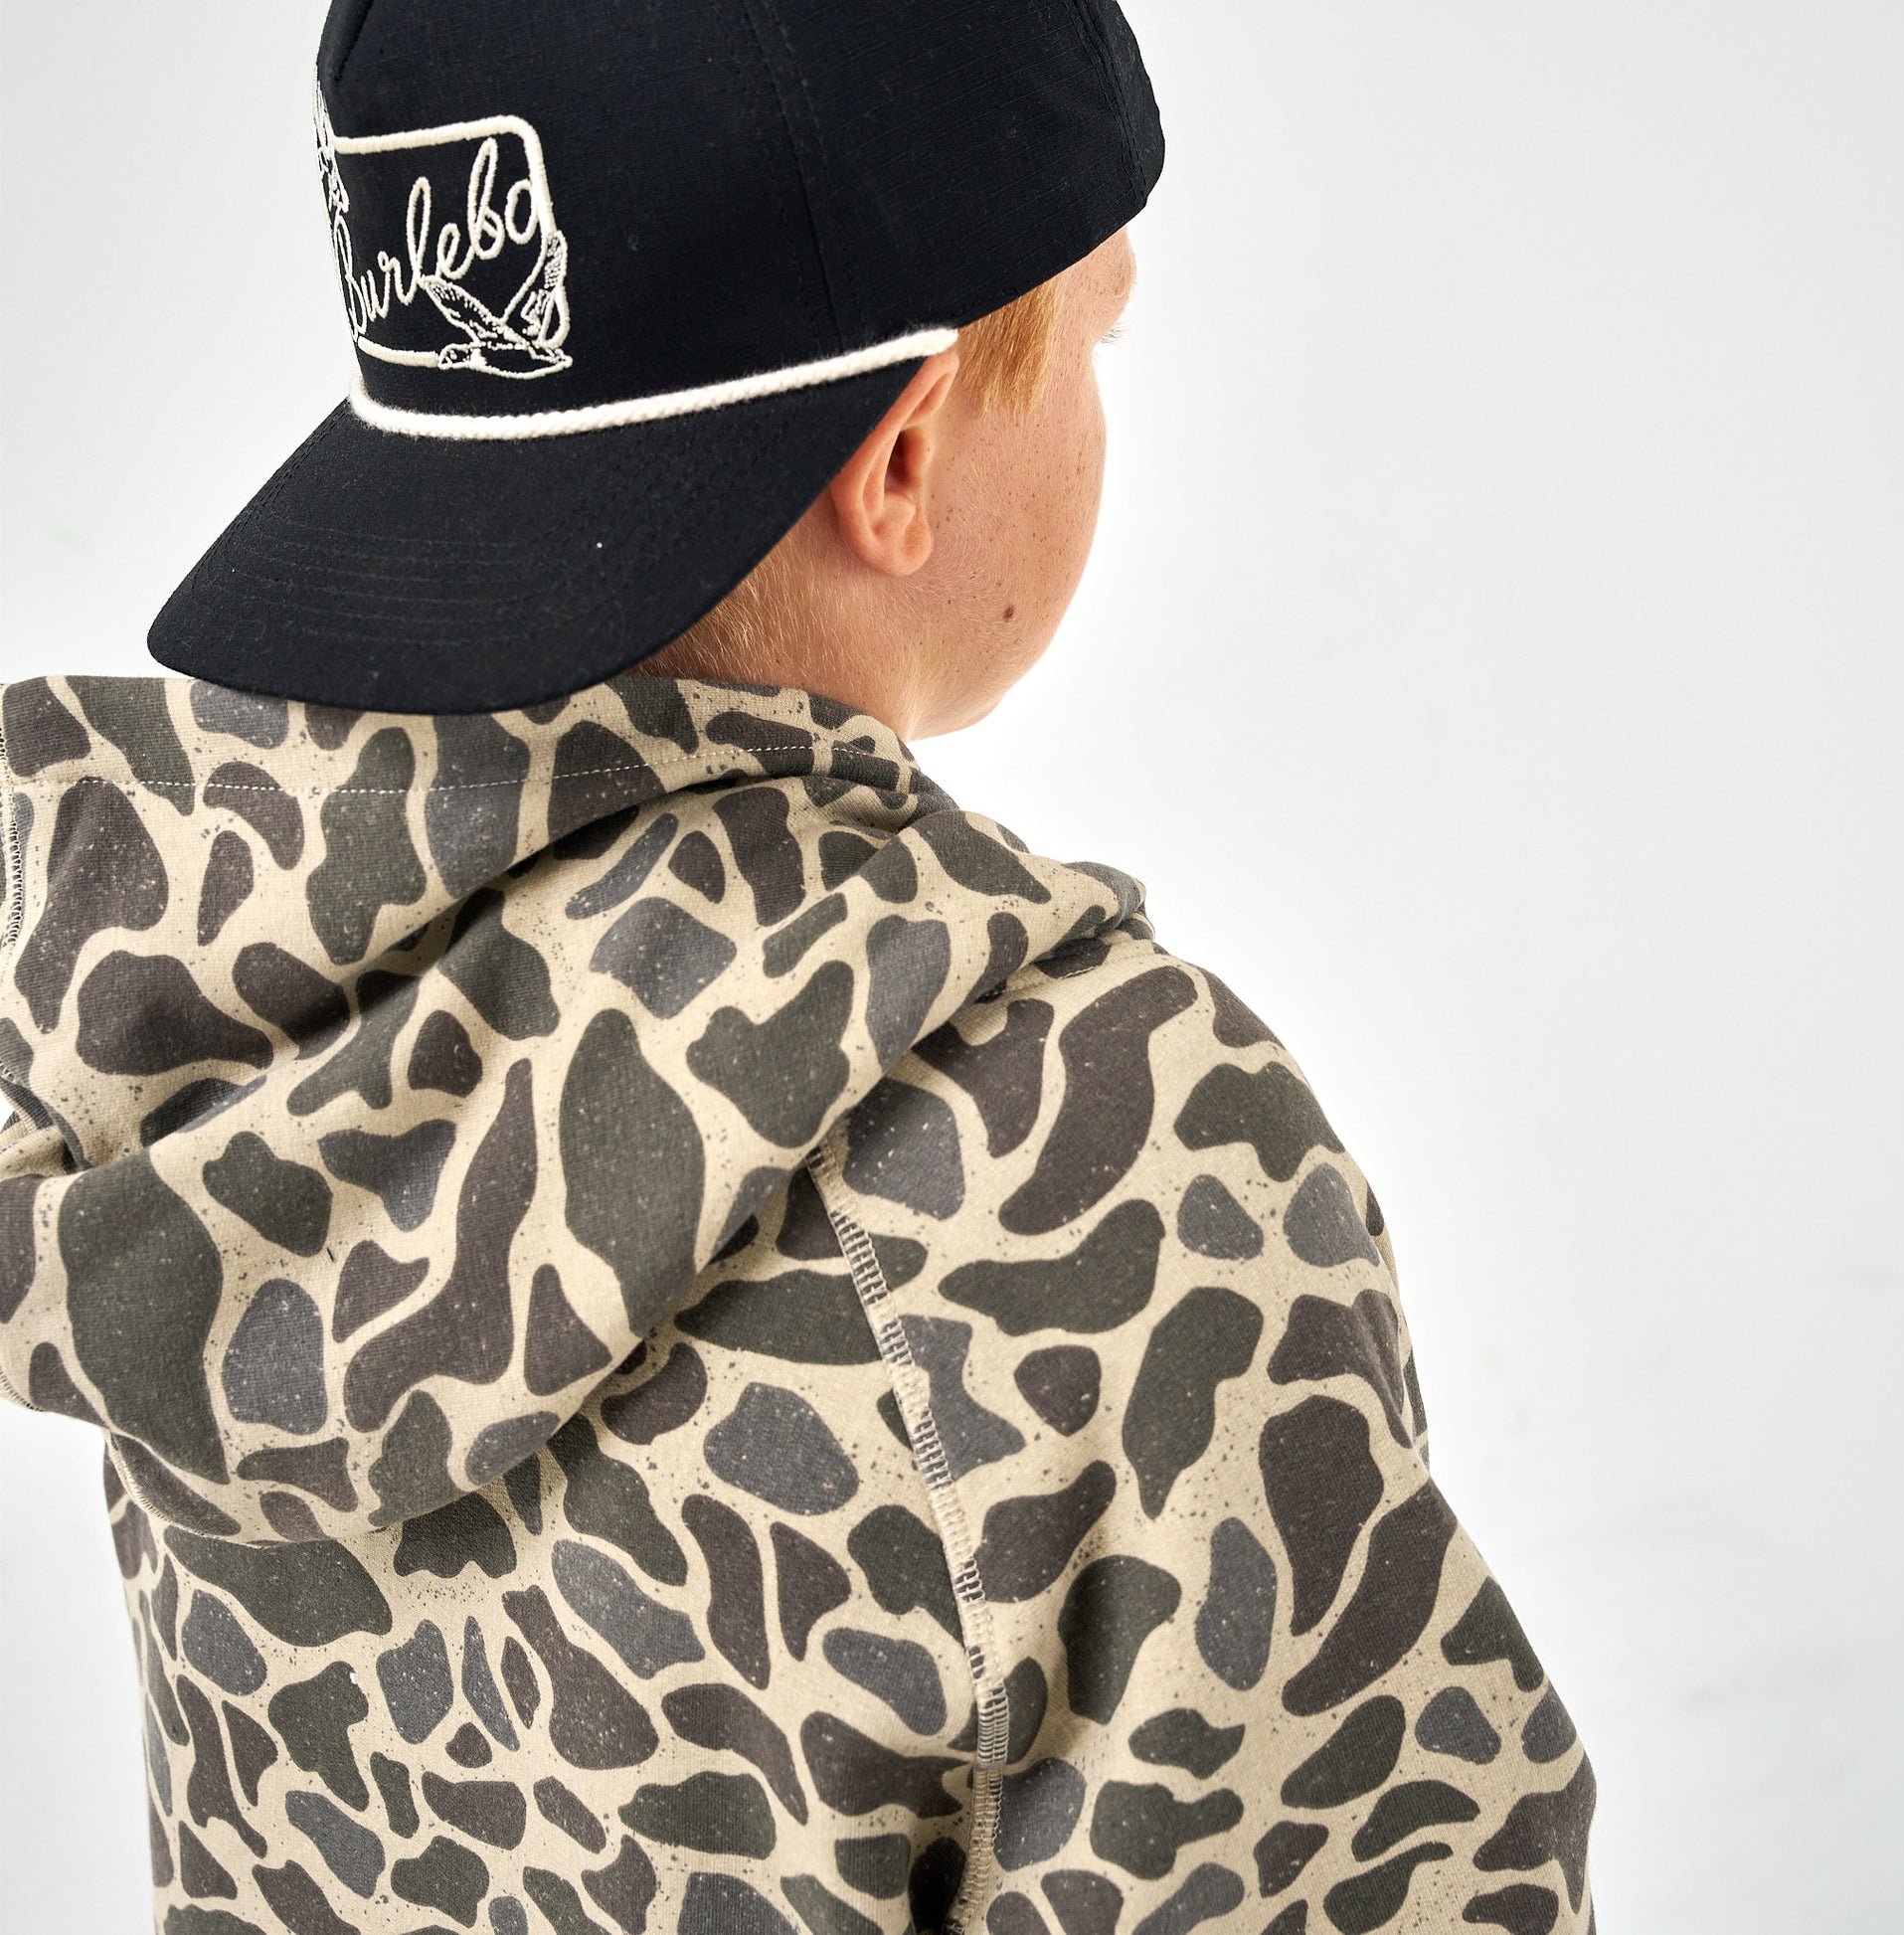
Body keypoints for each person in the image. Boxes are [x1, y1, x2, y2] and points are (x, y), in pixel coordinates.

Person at [0, 2, 1597, 1930]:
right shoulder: (1096, 1161)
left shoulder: (186, 1001)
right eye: (1094, 334)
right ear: (904, 457)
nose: (1104, 385)